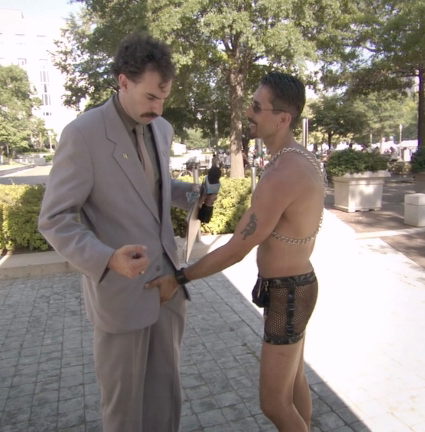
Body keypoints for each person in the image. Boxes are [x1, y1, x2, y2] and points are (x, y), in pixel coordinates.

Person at [37, 33, 214, 432]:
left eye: (164, 97)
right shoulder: (82, 134)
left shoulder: (161, 129)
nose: (158, 107)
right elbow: (55, 218)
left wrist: (193, 194)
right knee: (124, 410)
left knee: (165, 398)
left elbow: (152, 186)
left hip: (168, 289)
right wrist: (106, 259)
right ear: (123, 81)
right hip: (120, 295)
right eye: (151, 96)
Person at [147, 72, 325, 432]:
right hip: (295, 286)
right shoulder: (298, 159)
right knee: (293, 382)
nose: (248, 113)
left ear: (283, 118)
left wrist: (179, 277)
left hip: (288, 294)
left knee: (274, 403)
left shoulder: (283, 173)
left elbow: (236, 250)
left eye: (257, 107)